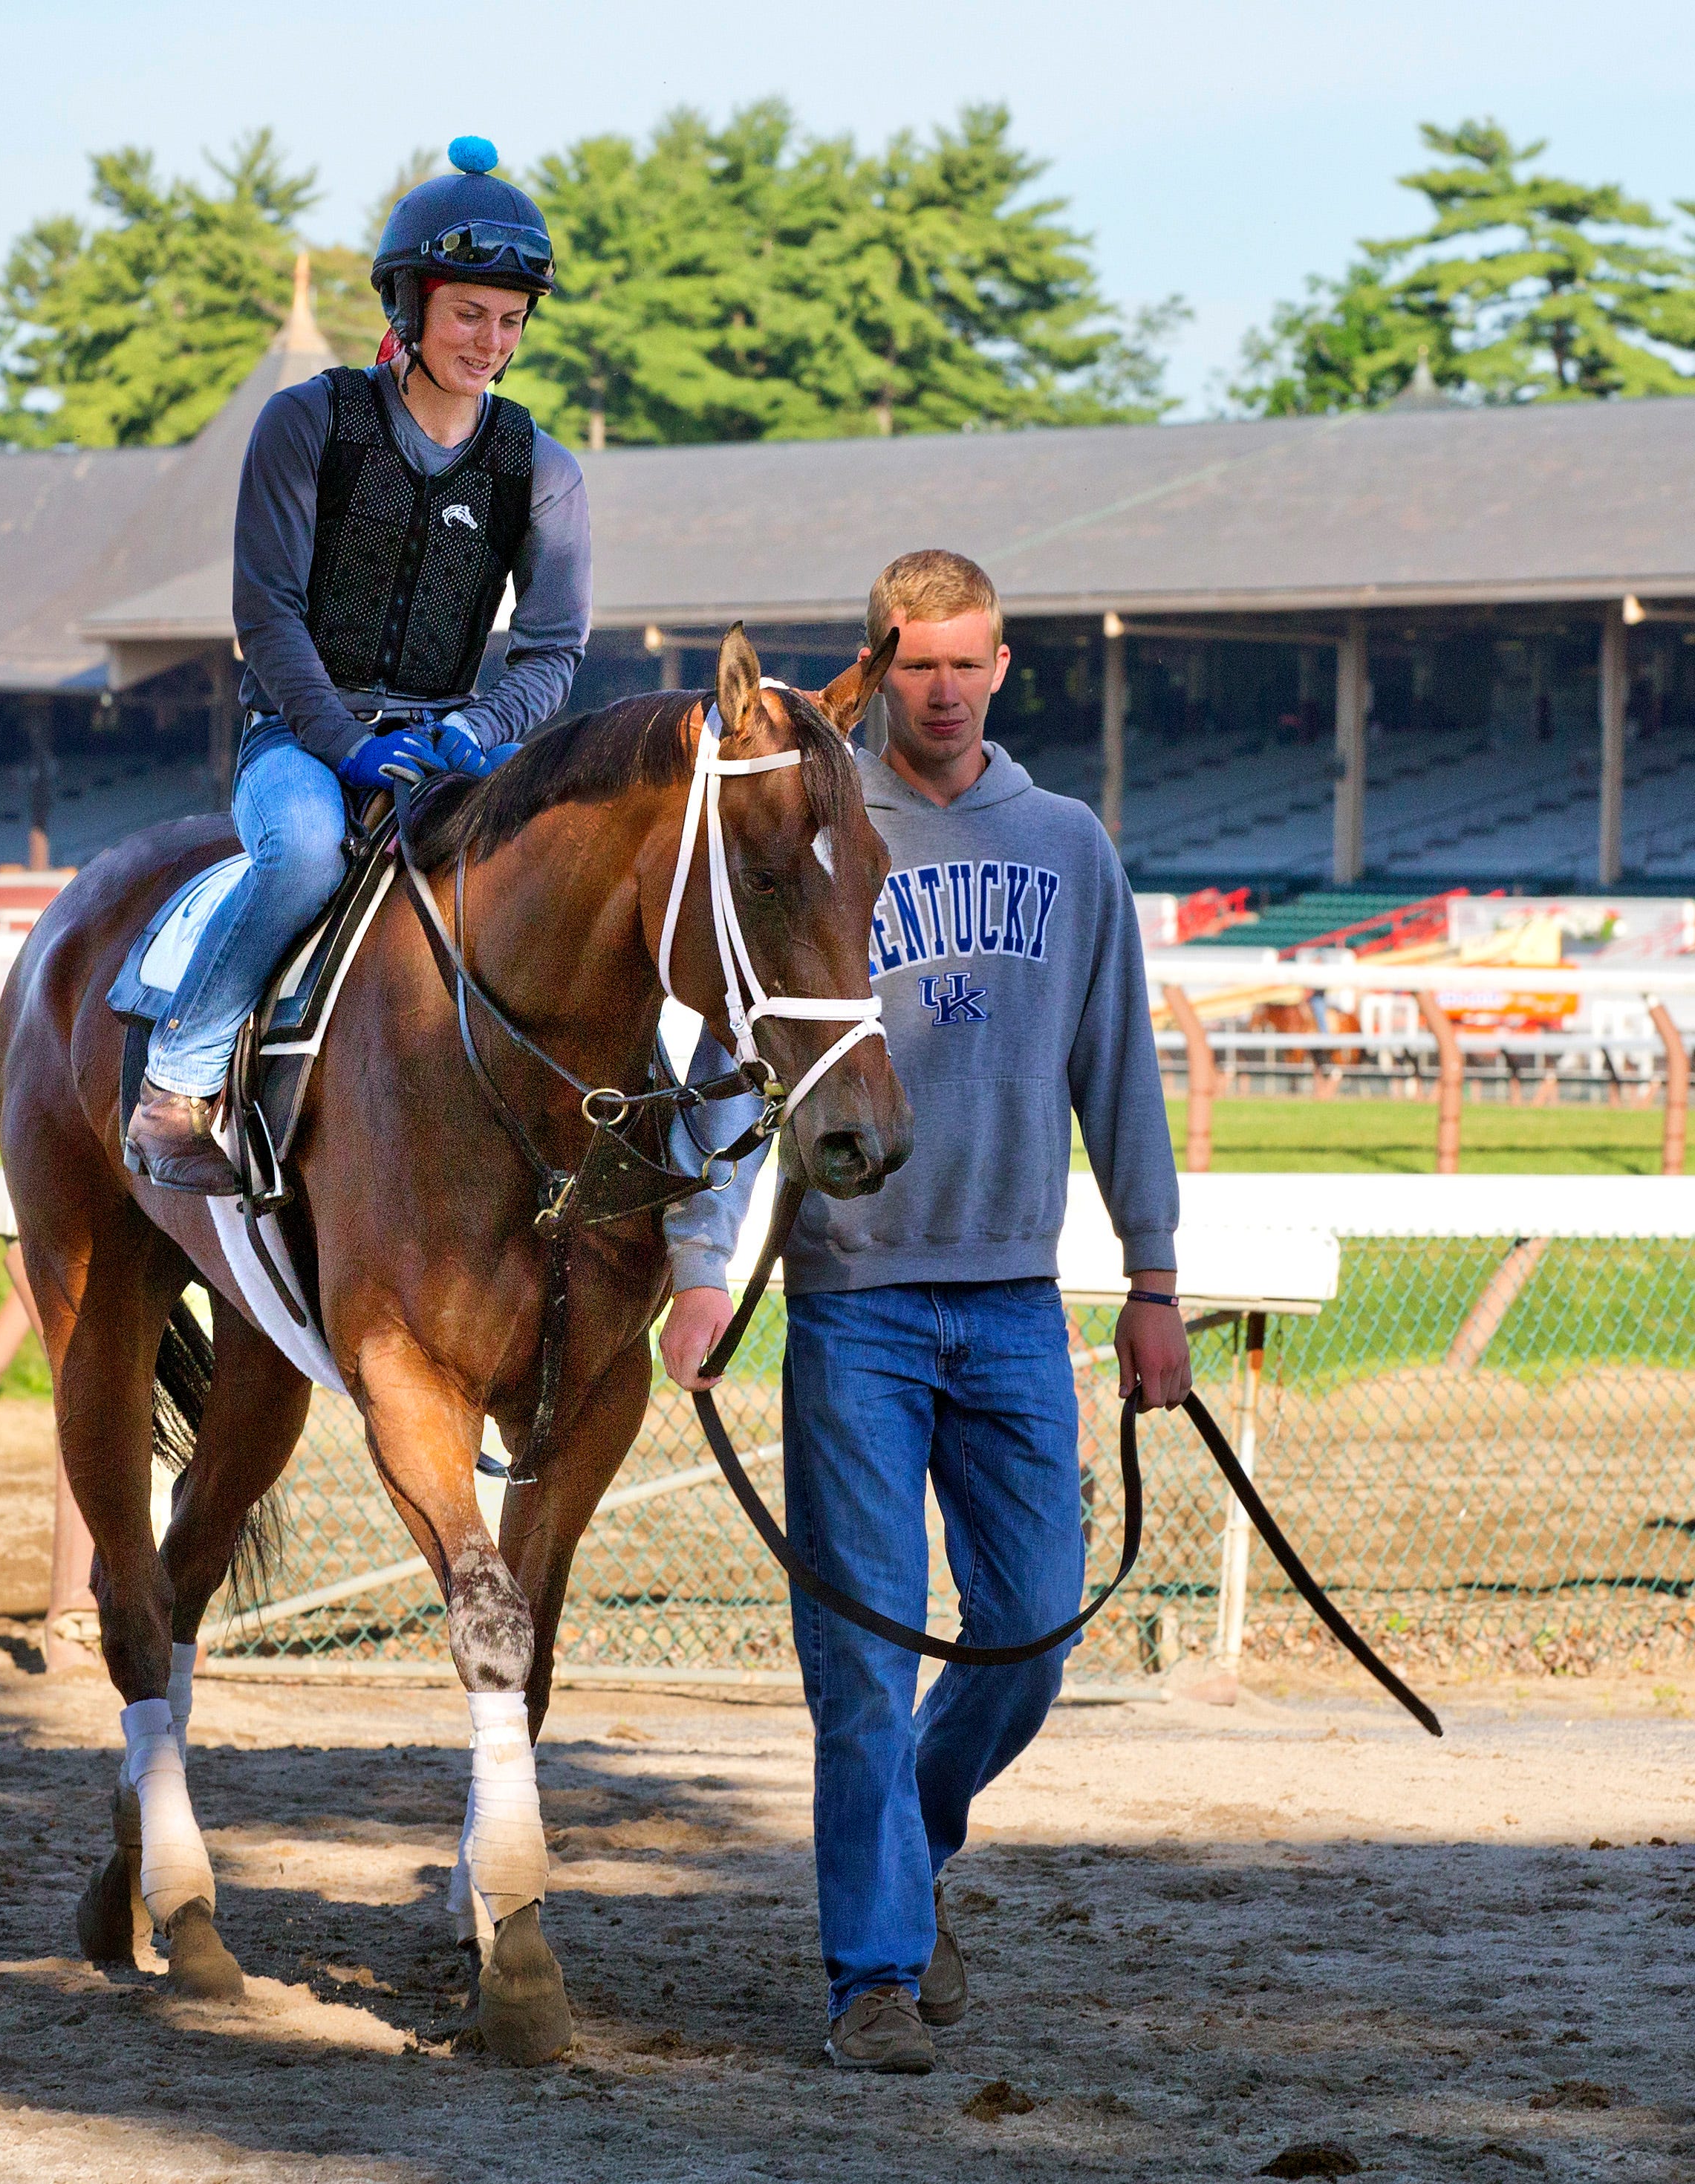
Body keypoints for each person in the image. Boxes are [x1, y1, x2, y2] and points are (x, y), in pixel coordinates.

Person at [657, 549, 1194, 2074]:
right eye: (915, 666)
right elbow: (720, 1067)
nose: (942, 690)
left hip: (1015, 1300)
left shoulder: (1068, 844)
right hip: (854, 1308)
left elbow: (1120, 1076)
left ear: (1003, 668)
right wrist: (703, 1267)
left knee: (1027, 1638)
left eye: (967, 663)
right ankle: (871, 1978)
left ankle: (913, 1843)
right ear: (874, 670)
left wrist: (1150, 1280)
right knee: (862, 1664)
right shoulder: (815, 831)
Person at [127, 135, 592, 1193]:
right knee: (299, 855)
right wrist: (344, 746)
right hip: (300, 736)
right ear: (409, 305)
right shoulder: (307, 425)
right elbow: (267, 612)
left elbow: (554, 647)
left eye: (510, 321)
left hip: (452, 740)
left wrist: (474, 732)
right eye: (469, 313)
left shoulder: (543, 469)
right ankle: (181, 1074)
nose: (490, 340)